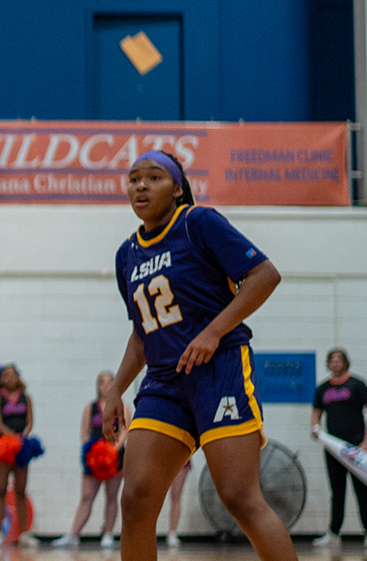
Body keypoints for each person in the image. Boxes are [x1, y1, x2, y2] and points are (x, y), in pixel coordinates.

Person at [109, 151, 296, 561]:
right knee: (136, 499)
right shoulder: (127, 255)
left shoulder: (198, 222)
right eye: (133, 179)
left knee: (238, 496)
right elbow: (142, 334)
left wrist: (213, 331)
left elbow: (265, 275)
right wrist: (115, 390)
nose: (140, 186)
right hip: (162, 381)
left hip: (220, 369)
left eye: (154, 178)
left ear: (177, 189)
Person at [310, 349, 367, 550]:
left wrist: (366, 440)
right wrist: (315, 428)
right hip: (334, 449)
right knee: (337, 491)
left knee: (361, 490)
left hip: (357, 447)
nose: (336, 363)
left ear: (346, 363)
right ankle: (334, 533)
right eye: (332, 360)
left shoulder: (357, 385)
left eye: (339, 359)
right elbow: (316, 413)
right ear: (328, 363)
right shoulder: (322, 388)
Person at [55, 372, 128, 548]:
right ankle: (73, 534)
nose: (106, 386)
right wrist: (93, 453)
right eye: (102, 382)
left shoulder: (122, 406)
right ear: (98, 385)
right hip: (93, 458)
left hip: (114, 456)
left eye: (110, 382)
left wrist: (112, 450)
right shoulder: (91, 406)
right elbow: (84, 432)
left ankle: (108, 534)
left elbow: (125, 431)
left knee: (112, 496)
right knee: (87, 496)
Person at [0, 365, 35, 547]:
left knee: (21, 490)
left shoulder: (26, 397)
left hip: (22, 445)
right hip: (3, 445)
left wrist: (22, 437)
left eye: (13, 374)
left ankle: (24, 533)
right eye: (6, 375)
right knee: (0, 488)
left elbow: (30, 421)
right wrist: (10, 437)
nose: (10, 378)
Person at [162, 462, 190, 548]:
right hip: (161, 457)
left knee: (176, 496)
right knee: (152, 497)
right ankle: (147, 533)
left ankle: (172, 534)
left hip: (182, 459)